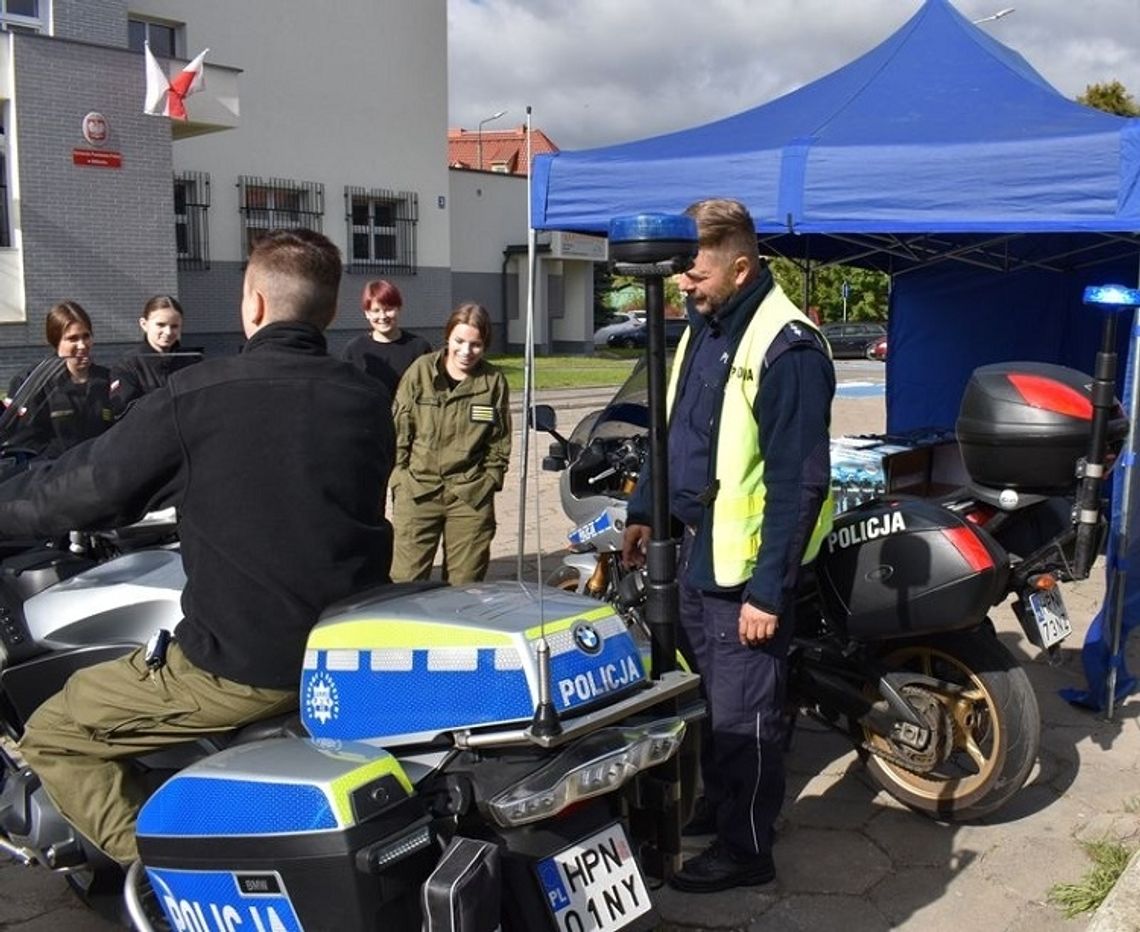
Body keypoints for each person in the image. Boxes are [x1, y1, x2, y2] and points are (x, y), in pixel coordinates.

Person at [0, 229, 395, 866]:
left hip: (243, 666)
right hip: (343, 654)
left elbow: (83, 490)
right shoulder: (367, 398)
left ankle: (166, 883)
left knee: (55, 732)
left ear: (255, 305)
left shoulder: (196, 397)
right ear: (331, 309)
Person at [620, 198, 835, 893]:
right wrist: (645, 510)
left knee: (747, 714)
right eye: (681, 268)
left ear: (741, 267)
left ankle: (747, 849)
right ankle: (721, 804)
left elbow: (798, 484)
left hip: (744, 577)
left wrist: (767, 591)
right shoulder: (704, 329)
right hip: (697, 558)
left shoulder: (788, 345)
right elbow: (673, 427)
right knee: (713, 704)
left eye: (696, 269)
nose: (682, 280)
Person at [390, 302, 511, 584]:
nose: (466, 352)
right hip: (418, 492)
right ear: (448, 337)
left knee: (464, 588)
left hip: (469, 497)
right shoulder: (420, 372)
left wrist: (489, 480)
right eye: (459, 341)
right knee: (404, 583)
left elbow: (499, 441)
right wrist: (400, 479)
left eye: (476, 344)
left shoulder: (493, 382)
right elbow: (399, 431)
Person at [4, 301, 113, 458]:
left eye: (86, 336)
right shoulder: (31, 382)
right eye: (73, 338)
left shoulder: (107, 379)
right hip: (55, 475)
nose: (82, 345)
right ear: (55, 341)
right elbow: (25, 442)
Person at [110, 294, 201, 415]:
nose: (168, 332)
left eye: (174, 326)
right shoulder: (128, 366)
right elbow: (122, 410)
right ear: (144, 324)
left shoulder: (191, 363)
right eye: (161, 325)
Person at [341, 279, 432, 398]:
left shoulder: (419, 347)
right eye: (376, 310)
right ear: (367, 313)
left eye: (389, 309)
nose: (382, 316)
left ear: (398, 309)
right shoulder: (354, 350)